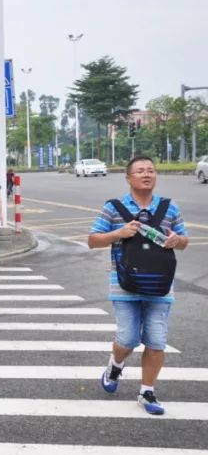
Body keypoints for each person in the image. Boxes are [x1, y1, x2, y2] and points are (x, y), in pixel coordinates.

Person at [88, 155, 188, 416]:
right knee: (128, 338)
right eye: (141, 171)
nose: (147, 174)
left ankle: (146, 391)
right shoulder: (113, 207)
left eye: (151, 171)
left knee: (156, 341)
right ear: (129, 177)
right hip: (124, 285)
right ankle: (115, 364)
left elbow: (185, 240)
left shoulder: (170, 207)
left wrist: (178, 239)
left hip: (160, 285)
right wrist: (117, 234)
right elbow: (93, 240)